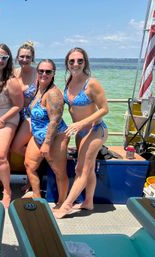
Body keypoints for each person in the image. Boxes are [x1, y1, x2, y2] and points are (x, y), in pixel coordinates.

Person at [54, 47, 109, 219]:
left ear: (85, 62)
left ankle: (67, 206)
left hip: (95, 129)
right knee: (89, 168)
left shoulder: (91, 83)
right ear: (67, 63)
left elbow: (105, 109)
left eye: (80, 60)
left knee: (81, 169)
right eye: (72, 61)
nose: (76, 64)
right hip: (79, 132)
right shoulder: (69, 80)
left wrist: (81, 123)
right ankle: (88, 202)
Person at [24, 59, 69, 205]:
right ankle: (37, 197)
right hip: (38, 136)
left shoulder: (53, 94)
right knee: (29, 165)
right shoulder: (38, 87)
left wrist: (47, 144)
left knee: (59, 171)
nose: (44, 74)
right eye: (41, 71)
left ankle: (62, 203)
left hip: (55, 137)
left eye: (48, 71)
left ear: (53, 73)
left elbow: (54, 121)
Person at [0, 43, 23, 208]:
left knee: (0, 156)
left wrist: (2, 119)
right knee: (3, 156)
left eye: (4, 57)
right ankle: (2, 182)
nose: (0, 60)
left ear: (8, 60)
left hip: (7, 121)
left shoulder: (11, 81)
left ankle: (7, 192)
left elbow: (19, 105)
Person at [10, 41, 37, 193]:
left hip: (30, 116)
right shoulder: (13, 72)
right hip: (14, 113)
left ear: (32, 58)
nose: (24, 59)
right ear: (17, 57)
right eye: (22, 56)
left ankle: (33, 176)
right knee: (6, 148)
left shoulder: (37, 73)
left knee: (16, 147)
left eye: (28, 57)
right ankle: (4, 180)